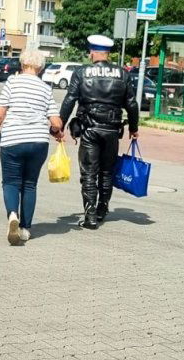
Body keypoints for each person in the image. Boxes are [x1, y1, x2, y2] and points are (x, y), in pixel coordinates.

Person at [60, 35, 139, 229]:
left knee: (89, 173)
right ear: (108, 53)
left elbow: (70, 99)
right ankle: (103, 208)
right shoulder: (122, 73)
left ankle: (90, 216)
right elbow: (131, 103)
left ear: (93, 52)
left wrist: (59, 125)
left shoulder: (81, 72)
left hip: (89, 129)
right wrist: (134, 128)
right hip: (112, 130)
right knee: (106, 172)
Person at [0, 50, 63, 245]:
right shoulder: (46, 88)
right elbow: (56, 122)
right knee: (30, 184)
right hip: (38, 143)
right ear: (41, 68)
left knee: (11, 182)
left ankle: (13, 215)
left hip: (13, 140)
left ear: (22, 65)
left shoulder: (12, 83)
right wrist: (56, 132)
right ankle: (26, 229)